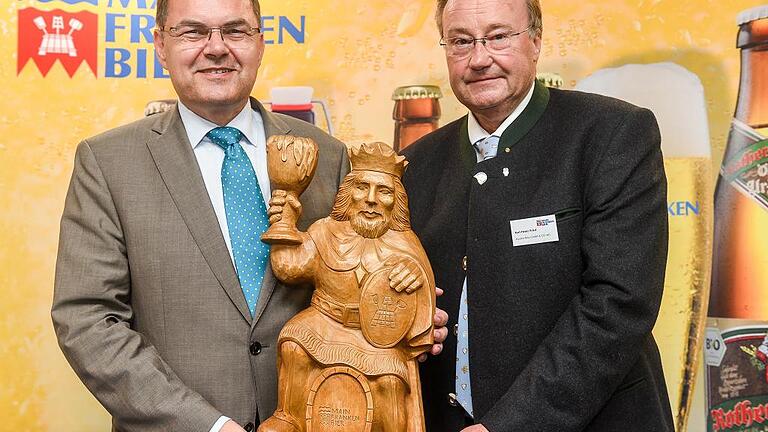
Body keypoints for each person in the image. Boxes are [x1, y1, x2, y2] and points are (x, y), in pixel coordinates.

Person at [50, 1, 447, 431]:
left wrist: (405, 313)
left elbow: (363, 269)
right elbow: (89, 320)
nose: (216, 48)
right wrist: (209, 425)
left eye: (236, 31)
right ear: (160, 45)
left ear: (260, 43)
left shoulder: (327, 155)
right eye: (193, 32)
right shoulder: (108, 163)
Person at [401, 0, 674, 431]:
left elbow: (619, 303)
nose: (479, 58)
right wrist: (406, 326)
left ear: (536, 41)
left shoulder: (612, 133)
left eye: (498, 36)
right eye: (460, 41)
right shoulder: (412, 166)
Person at [259, 142, 435, 432]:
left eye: (384, 192)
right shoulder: (324, 230)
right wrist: (285, 226)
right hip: (323, 320)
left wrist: (415, 277)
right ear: (347, 193)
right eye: (361, 188)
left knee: (390, 381)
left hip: (376, 337)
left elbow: (424, 292)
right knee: (294, 345)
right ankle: (287, 417)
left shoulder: (404, 242)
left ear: (397, 201)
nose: (370, 199)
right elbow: (289, 268)